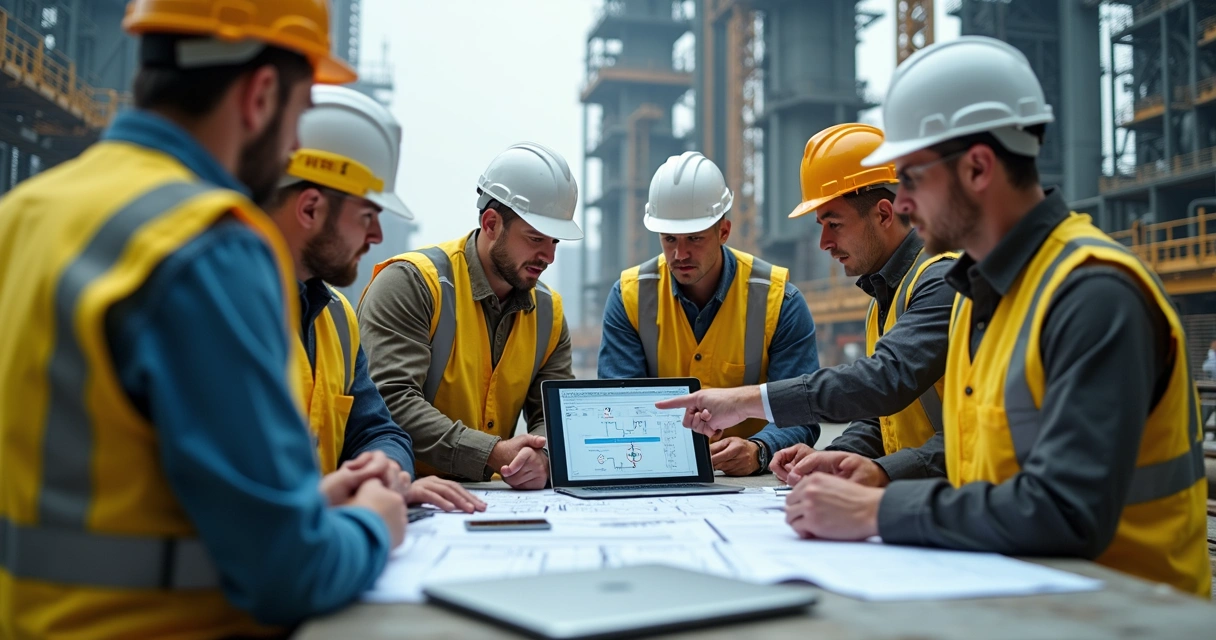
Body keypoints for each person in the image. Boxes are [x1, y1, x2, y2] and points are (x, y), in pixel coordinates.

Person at [0, 1, 408, 638]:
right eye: (301, 114)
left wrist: (305, 504)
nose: (297, 144)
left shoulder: (25, 213)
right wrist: (375, 521)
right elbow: (287, 573)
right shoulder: (209, 241)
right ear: (262, 95)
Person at [782, 36, 1208, 597]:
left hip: (1129, 611)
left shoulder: (1094, 295)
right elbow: (970, 457)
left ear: (978, 168)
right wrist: (875, 469)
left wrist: (878, 510)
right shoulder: (974, 296)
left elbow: (1065, 513)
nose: (901, 205)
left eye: (911, 178)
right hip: (1012, 590)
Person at [656, 125, 956, 487]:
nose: (824, 242)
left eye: (834, 223)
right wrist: (836, 455)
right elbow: (884, 418)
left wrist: (744, 401)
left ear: (883, 214)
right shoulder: (886, 297)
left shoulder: (941, 281)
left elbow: (884, 381)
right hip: (925, 495)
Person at [267, 85, 486, 513]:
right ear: (310, 209)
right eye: (368, 215)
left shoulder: (335, 318)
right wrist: (372, 515)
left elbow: (379, 431)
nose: (378, 236)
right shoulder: (226, 308)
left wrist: (383, 474)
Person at [358, 142, 580, 490]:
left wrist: (543, 455)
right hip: (406, 495)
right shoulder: (412, 284)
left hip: (498, 497)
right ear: (491, 223)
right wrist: (492, 453)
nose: (548, 256)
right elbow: (390, 399)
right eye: (536, 238)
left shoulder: (548, 312)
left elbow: (559, 411)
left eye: (555, 242)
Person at [599, 151, 820, 476]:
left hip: (753, 489)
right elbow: (620, 408)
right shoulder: (629, 297)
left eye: (695, 239)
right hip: (658, 476)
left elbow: (800, 410)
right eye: (669, 238)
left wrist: (759, 450)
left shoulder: (779, 301)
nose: (680, 253)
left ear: (724, 231)